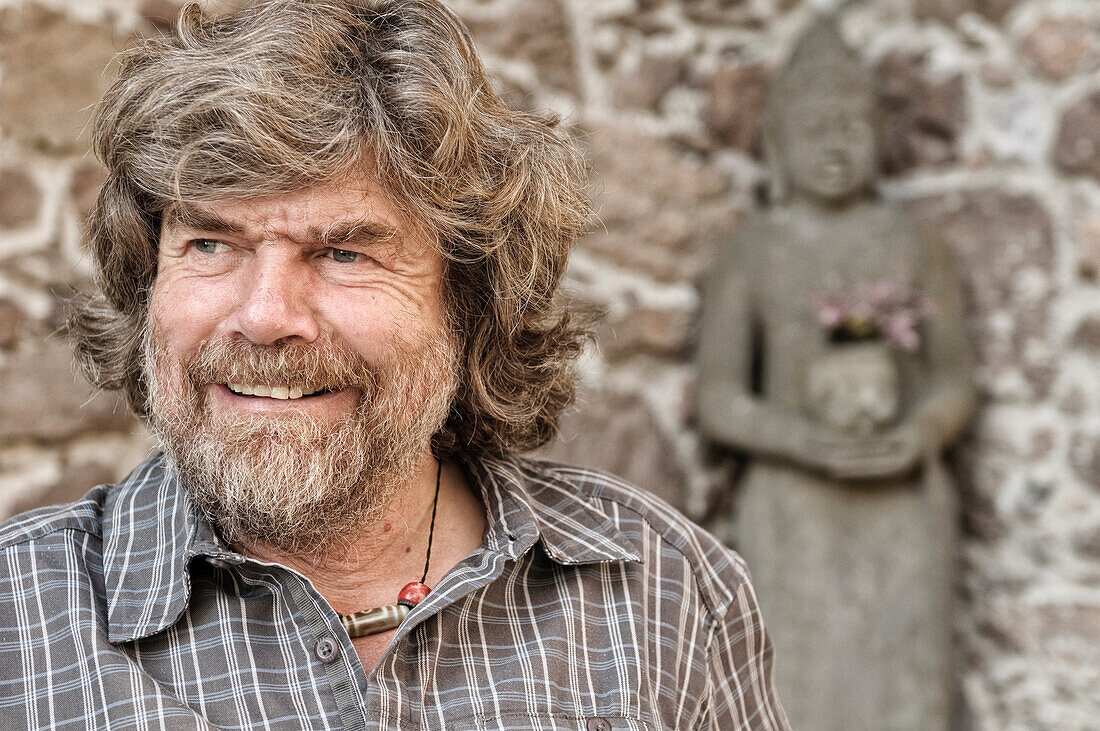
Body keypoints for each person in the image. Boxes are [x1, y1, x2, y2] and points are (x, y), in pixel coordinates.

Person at [0, 1, 788, 729]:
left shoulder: (666, 593)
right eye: (211, 243)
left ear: (469, 300)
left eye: (343, 252)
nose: (266, 315)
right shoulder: (18, 621)